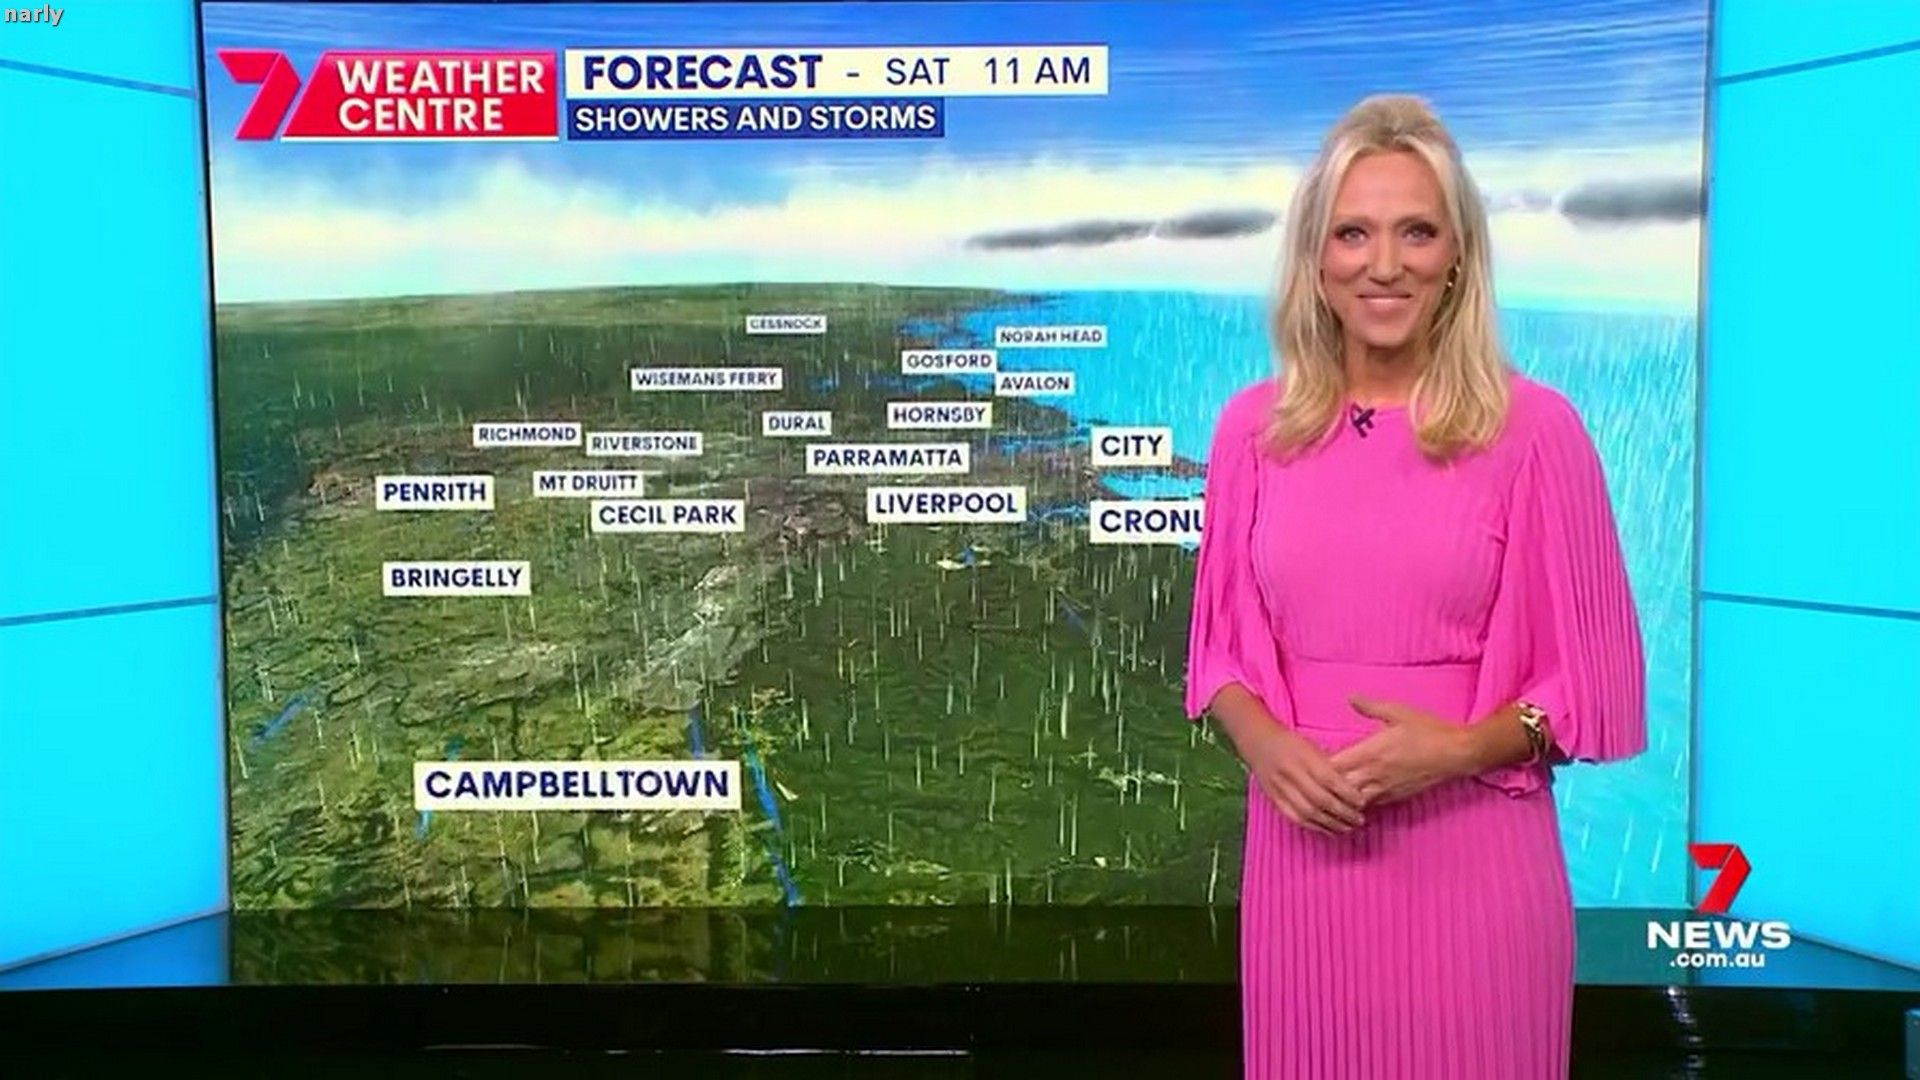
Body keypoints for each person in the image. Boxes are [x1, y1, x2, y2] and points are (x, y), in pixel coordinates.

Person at [1184, 93, 1648, 1080]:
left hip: (1475, 858)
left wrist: (1460, 749)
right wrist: (1268, 749)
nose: (1384, 264)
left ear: (1458, 258)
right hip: (1303, 859)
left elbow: (1592, 684)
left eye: (1417, 232)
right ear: (1315, 259)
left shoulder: (1537, 432)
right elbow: (1219, 651)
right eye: (1353, 233)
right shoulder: (1250, 432)